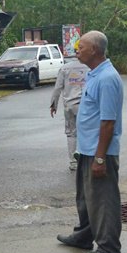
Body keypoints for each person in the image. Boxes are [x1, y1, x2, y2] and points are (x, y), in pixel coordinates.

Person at [56, 31, 124, 253]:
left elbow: (107, 122)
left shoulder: (107, 79)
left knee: (103, 202)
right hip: (87, 150)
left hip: (99, 152)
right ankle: (84, 236)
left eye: (81, 47)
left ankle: (109, 249)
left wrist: (100, 158)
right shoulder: (95, 74)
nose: (77, 50)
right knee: (86, 199)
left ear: (94, 50)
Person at [50, 40, 90, 171]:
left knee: (71, 134)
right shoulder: (90, 68)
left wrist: (53, 105)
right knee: (87, 133)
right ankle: (87, 160)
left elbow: (57, 88)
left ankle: (73, 162)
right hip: (86, 106)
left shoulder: (65, 68)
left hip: (69, 106)